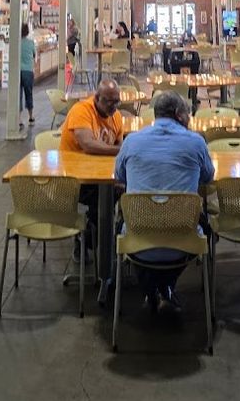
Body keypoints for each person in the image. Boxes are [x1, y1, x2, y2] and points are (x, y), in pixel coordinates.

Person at [114, 91, 214, 313]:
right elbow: (208, 177)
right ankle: (166, 286)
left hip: (136, 238)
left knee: (124, 222)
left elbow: (119, 175)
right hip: (184, 240)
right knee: (206, 228)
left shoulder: (132, 140)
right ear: (180, 114)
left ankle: (151, 288)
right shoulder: (196, 142)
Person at [60, 79, 124, 260]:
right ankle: (91, 239)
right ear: (97, 98)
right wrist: (122, 150)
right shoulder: (82, 111)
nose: (113, 106)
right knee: (105, 198)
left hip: (101, 175)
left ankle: (100, 239)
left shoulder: (116, 116)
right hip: (75, 179)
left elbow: (119, 150)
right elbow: (88, 144)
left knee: (120, 192)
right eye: (108, 101)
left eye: (116, 101)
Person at [19, 22, 36, 126]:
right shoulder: (31, 43)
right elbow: (34, 54)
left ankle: (19, 118)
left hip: (17, 71)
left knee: (18, 95)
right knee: (28, 93)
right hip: (28, 71)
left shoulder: (17, 42)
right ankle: (30, 116)